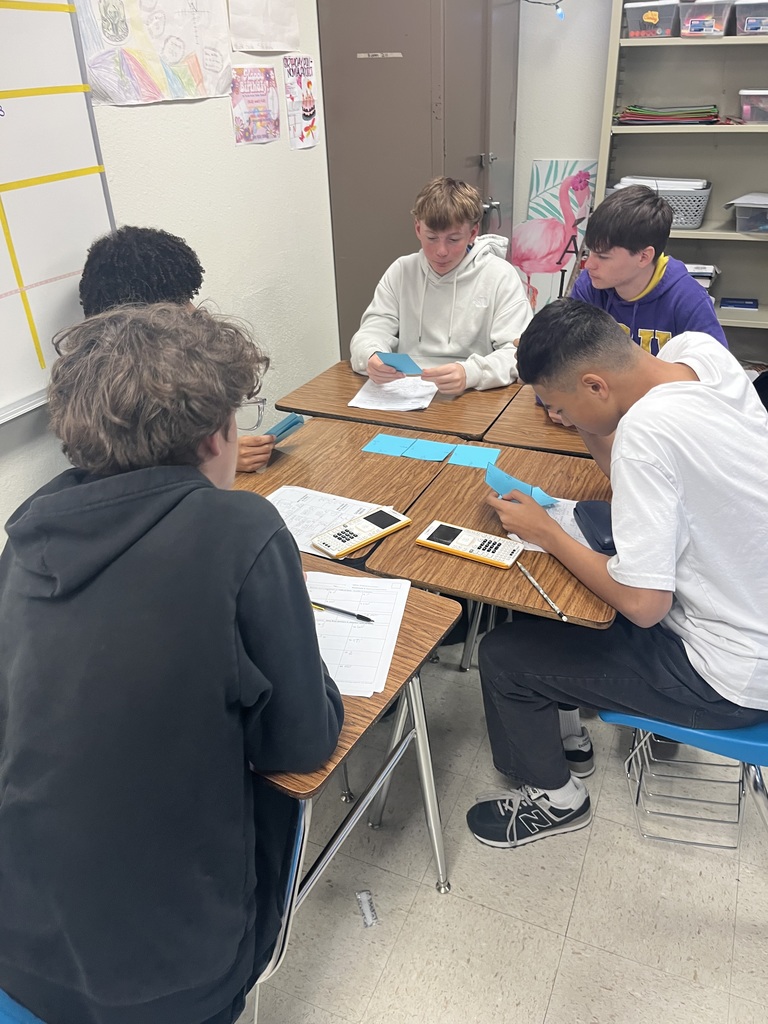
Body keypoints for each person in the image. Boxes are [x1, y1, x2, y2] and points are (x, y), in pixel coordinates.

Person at [0, 304, 344, 1023]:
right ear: (219, 433)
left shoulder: (29, 532)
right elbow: (299, 741)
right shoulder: (241, 527)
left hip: (21, 946)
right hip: (170, 974)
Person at [466, 298, 768, 850]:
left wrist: (547, 533)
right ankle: (568, 740)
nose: (558, 417)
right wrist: (581, 418)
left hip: (729, 675)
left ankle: (557, 800)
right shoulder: (700, 356)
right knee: (560, 598)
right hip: (751, 612)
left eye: (561, 406)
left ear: (595, 384)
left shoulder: (645, 436)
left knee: (504, 657)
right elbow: (630, 468)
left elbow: (644, 605)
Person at [79, 224, 275, 472]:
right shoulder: (123, 391)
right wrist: (213, 460)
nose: (194, 310)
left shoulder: (91, 380)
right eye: (182, 301)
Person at [349, 177, 533, 396]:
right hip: (406, 391)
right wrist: (370, 356)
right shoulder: (402, 271)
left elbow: (517, 352)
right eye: (431, 238)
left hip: (474, 392)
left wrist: (471, 372)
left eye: (453, 239)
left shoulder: (500, 276)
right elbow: (371, 330)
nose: (441, 251)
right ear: (418, 229)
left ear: (473, 233)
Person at [571, 184, 728, 352]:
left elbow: (715, 365)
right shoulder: (588, 286)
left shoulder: (688, 300)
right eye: (590, 252)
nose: (589, 265)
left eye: (603, 257)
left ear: (644, 257)